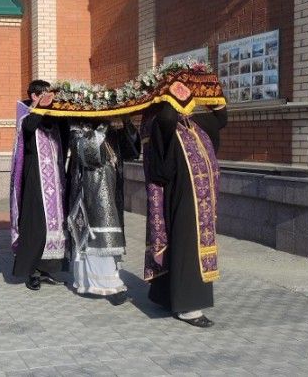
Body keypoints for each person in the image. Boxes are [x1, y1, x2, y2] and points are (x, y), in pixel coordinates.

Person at [141, 82, 228, 328]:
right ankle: (189, 307)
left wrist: (209, 90)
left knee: (184, 247)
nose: (186, 101)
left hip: (201, 202)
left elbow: (221, 118)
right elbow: (167, 118)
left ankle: (165, 296)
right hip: (180, 199)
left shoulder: (194, 124)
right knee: (186, 249)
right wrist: (172, 87)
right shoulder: (160, 124)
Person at [66, 117, 140, 305]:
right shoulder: (77, 129)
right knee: (98, 240)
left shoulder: (112, 131)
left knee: (110, 240)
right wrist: (103, 128)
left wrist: (127, 123)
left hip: (111, 192)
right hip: (92, 194)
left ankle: (110, 280)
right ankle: (108, 285)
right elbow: (89, 157)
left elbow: (131, 152)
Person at [9, 80, 68, 290]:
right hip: (34, 182)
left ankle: (46, 269)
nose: (47, 97)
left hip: (54, 183)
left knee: (52, 226)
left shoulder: (52, 120)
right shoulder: (25, 116)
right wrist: (40, 107)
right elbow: (29, 127)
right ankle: (31, 272)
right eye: (43, 94)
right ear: (34, 96)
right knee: (34, 226)